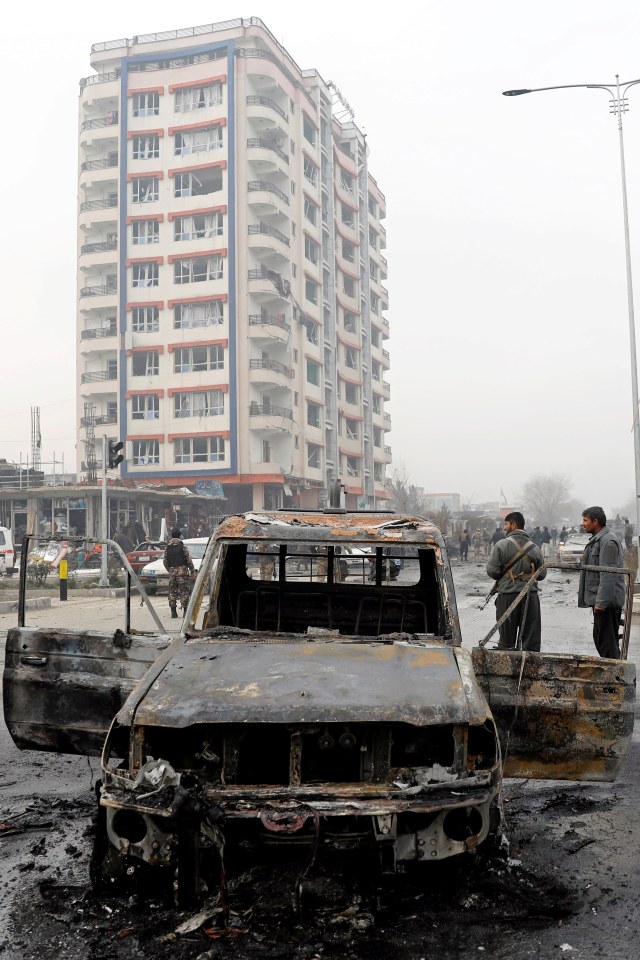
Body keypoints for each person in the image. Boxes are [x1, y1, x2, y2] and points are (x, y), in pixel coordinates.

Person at [486, 511, 547, 651]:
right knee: (530, 641)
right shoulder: (535, 548)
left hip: (508, 595)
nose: (504, 528)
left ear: (513, 525)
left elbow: (493, 572)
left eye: (506, 524)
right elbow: (542, 574)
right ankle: (528, 669)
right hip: (530, 596)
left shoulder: (501, 545)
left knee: (506, 642)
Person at [578, 506, 626, 659]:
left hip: (607, 604)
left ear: (595, 521)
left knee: (607, 645)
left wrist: (601, 602)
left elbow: (608, 574)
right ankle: (615, 674)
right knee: (602, 641)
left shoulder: (608, 542)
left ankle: (617, 677)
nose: (583, 523)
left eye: (585, 520)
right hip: (602, 602)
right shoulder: (598, 540)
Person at [163, 527, 196, 619]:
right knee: (184, 591)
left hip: (172, 573)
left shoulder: (167, 547)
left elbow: (165, 561)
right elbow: (188, 559)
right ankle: (185, 612)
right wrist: (192, 570)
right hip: (182, 572)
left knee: (172, 592)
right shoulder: (182, 546)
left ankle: (173, 612)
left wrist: (170, 570)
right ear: (179, 536)